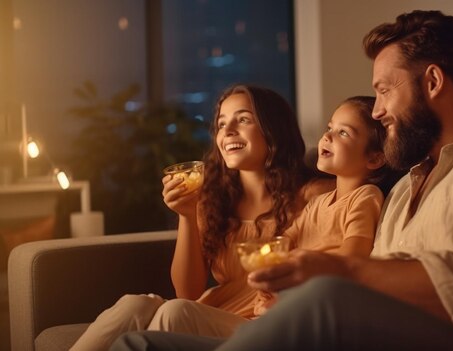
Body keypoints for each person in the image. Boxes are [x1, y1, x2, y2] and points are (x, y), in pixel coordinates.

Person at [112, 10, 453, 351]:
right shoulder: (408, 185)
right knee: (141, 343)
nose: (376, 110)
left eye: (383, 90)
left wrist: (342, 273)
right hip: (368, 332)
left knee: (326, 299)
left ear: (432, 81)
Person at [70, 84, 333, 351]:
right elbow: (188, 292)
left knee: (176, 312)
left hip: (264, 325)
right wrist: (187, 214)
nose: (228, 131)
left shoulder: (314, 196)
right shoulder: (215, 199)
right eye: (221, 124)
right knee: (137, 304)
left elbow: (334, 264)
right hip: (210, 314)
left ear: (274, 128)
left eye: (243, 119)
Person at [253, 95, 392, 315]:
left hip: (322, 299)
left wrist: (292, 291)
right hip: (294, 295)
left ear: (374, 159)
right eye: (329, 128)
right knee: (181, 311)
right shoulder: (317, 203)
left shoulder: (365, 197)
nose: (327, 136)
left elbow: (353, 258)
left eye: (343, 132)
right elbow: (282, 243)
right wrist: (269, 272)